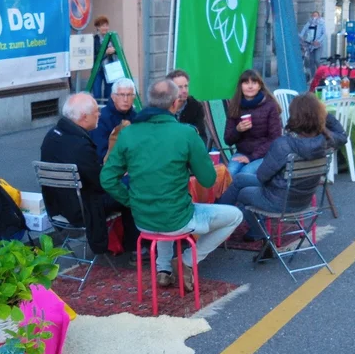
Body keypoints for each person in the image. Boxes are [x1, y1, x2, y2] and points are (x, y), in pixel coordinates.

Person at [101, 80, 243, 289]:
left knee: (167, 205)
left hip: (143, 219)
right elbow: (208, 180)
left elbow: (107, 178)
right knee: (234, 216)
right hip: (177, 218)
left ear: (148, 101)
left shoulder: (128, 133)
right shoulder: (185, 133)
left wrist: (130, 200)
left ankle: (163, 269)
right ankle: (186, 261)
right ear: (175, 103)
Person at [217, 93, 347, 247]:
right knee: (240, 179)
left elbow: (262, 176)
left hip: (278, 201)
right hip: (304, 200)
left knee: (243, 192)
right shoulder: (327, 140)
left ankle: (226, 224)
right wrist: (323, 114)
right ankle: (227, 221)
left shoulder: (284, 144)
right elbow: (342, 135)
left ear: (294, 116)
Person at [40, 93, 139, 259]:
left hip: (57, 205)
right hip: (81, 208)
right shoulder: (79, 145)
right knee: (131, 188)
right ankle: (134, 246)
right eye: (95, 112)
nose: (99, 114)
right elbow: (102, 183)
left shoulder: (52, 135)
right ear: (84, 117)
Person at [223, 70, 282, 178]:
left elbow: (275, 138)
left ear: (260, 86)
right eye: (246, 83)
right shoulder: (235, 106)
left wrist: (251, 157)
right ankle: (228, 195)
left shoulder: (270, 105)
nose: (250, 86)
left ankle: (242, 195)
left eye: (254, 83)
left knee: (244, 174)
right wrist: (237, 130)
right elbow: (228, 140)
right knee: (229, 175)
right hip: (242, 152)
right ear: (240, 86)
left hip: (265, 155)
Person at [90, 78, 137, 162]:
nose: (125, 99)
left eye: (129, 95)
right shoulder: (101, 118)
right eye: (121, 95)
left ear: (134, 97)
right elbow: (101, 152)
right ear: (113, 97)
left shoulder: (135, 117)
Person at [167, 69, 209, 146]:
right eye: (180, 87)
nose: (184, 91)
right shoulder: (163, 107)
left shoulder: (195, 106)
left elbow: (201, 136)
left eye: (186, 86)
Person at [91, 15, 117, 100]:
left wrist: (115, 50)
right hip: (97, 70)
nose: (105, 28)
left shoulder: (112, 38)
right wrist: (106, 53)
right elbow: (92, 57)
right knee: (97, 94)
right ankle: (97, 111)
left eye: (106, 25)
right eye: (102, 26)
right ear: (97, 27)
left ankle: (107, 111)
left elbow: (119, 50)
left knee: (108, 93)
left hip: (110, 69)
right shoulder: (94, 40)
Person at [299, 11, 326, 80]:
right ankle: (313, 77)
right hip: (310, 44)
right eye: (313, 15)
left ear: (319, 16)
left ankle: (322, 74)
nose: (314, 17)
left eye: (316, 15)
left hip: (318, 44)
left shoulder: (321, 23)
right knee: (311, 61)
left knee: (317, 60)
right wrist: (301, 37)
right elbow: (304, 29)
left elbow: (324, 34)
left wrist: (318, 41)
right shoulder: (309, 23)